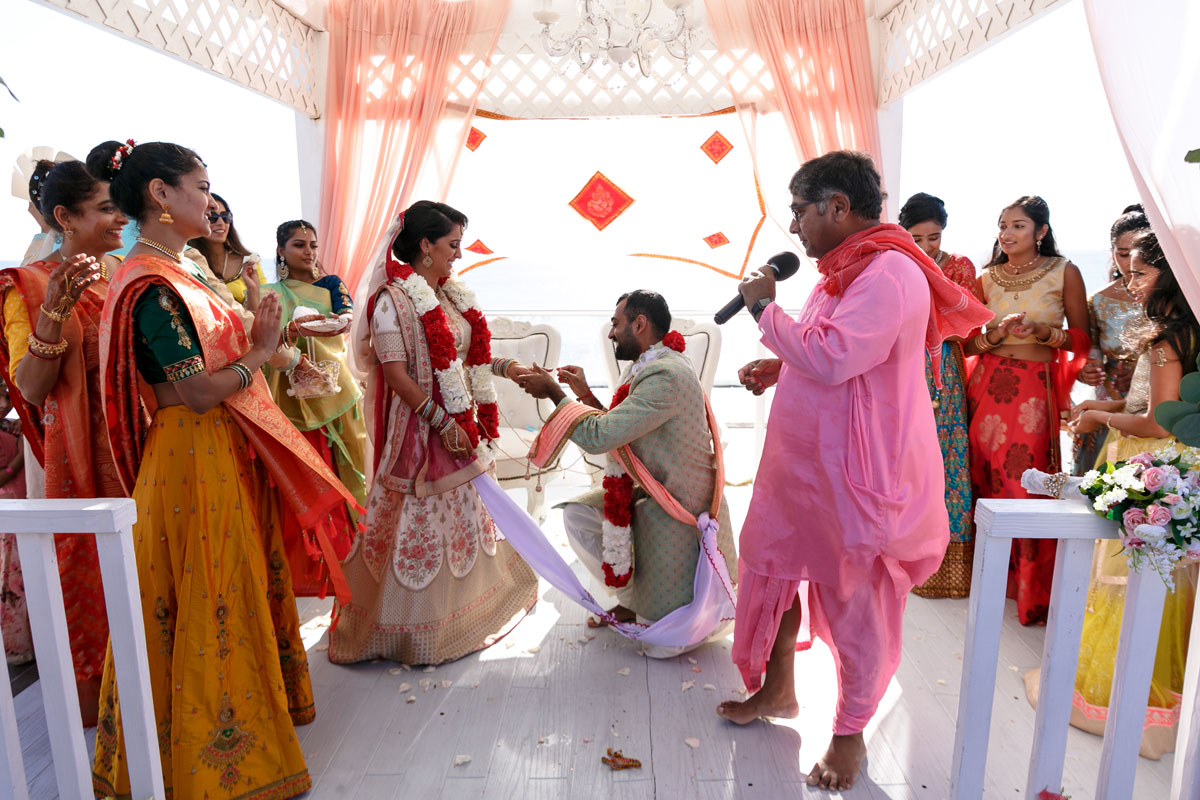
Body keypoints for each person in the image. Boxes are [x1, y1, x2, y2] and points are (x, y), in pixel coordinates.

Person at [88, 139, 357, 799]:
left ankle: (231, 728)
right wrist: (264, 352)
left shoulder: (182, 269)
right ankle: (215, 759)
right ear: (160, 194)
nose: (209, 201)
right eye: (200, 186)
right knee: (210, 593)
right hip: (192, 453)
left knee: (228, 587)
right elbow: (198, 391)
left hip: (218, 446)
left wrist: (279, 351)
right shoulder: (151, 283)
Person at [715, 151, 991, 791]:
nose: (795, 227)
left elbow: (838, 356)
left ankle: (849, 735)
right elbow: (833, 347)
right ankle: (777, 692)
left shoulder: (891, 271)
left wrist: (763, 312)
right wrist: (780, 364)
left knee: (852, 600)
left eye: (799, 212)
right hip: (803, 462)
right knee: (774, 566)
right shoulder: (844, 270)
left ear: (837, 207)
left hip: (855, 471)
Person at [329, 200, 537, 666]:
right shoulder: (393, 300)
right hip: (418, 433)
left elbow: (464, 355)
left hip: (458, 427)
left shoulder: (448, 295)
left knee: (463, 521)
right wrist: (443, 424)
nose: (458, 255)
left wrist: (506, 367)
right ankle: (408, 632)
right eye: (452, 245)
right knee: (418, 525)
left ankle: (466, 617)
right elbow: (397, 376)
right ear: (424, 245)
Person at [1036, 229, 1198, 759]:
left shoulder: (1166, 339)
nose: (1131, 283)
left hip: (1154, 464)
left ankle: (1113, 698)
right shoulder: (1191, 333)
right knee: (1170, 584)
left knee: (1123, 580)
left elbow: (1160, 422)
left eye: (1141, 273)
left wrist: (1097, 414)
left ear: (1171, 275)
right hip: (1187, 467)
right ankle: (1172, 703)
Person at [516, 290, 738, 657]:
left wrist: (555, 395)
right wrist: (585, 394)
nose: (610, 333)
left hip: (677, 509)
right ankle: (629, 597)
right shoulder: (650, 365)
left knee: (659, 648)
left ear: (640, 324)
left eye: (616, 324)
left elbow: (600, 437)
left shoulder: (664, 376)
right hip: (649, 491)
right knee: (577, 513)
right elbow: (621, 428)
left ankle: (663, 612)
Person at [0, 158, 127, 725]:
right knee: (91, 572)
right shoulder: (25, 285)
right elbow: (29, 387)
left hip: (142, 452)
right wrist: (53, 312)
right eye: (105, 207)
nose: (119, 216)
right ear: (63, 217)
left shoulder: (126, 275)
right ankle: (107, 715)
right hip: (78, 462)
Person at [963, 195, 1090, 626]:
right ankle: (988, 579)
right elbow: (964, 345)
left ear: (1041, 232)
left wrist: (1043, 332)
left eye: (1018, 225)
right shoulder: (986, 278)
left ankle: (1032, 591)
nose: (1007, 233)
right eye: (1002, 225)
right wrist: (994, 336)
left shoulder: (1063, 272)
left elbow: (1082, 340)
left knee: (1026, 484)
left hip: (1033, 394)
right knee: (984, 478)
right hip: (986, 390)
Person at [261, 219, 366, 590]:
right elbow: (262, 338)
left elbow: (346, 319)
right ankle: (312, 566)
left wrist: (335, 322)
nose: (309, 252)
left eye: (313, 245)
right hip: (288, 395)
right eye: (299, 245)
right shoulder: (268, 292)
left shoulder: (331, 284)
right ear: (281, 251)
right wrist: (291, 330)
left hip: (336, 391)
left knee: (348, 468)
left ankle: (357, 554)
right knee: (306, 475)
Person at [900, 192, 983, 598]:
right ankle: (901, 557)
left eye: (933, 237)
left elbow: (964, 324)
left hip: (942, 367)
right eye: (916, 238)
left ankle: (948, 566)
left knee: (947, 454)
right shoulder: (893, 262)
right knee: (903, 456)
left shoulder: (959, 267)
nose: (926, 247)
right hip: (899, 363)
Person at [1071, 207, 1150, 473]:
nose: (1129, 263)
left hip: (1158, 396)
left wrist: (1143, 376)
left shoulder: (1171, 296)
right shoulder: (1098, 300)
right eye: (1122, 254)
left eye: (1136, 254)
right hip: (1109, 394)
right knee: (1104, 474)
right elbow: (1091, 354)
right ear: (1112, 253)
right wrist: (1087, 372)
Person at [185, 192, 265, 312]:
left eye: (225, 217)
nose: (221, 223)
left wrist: (252, 290)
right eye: (212, 217)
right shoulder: (189, 262)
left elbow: (263, 314)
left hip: (248, 329)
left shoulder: (249, 263)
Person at [0, 382, 32, 666]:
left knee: (24, 571)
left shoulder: (16, 422)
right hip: (7, 503)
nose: (1, 402)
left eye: (4, 396)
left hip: (23, 495)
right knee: (11, 575)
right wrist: (18, 462)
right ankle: (18, 644)